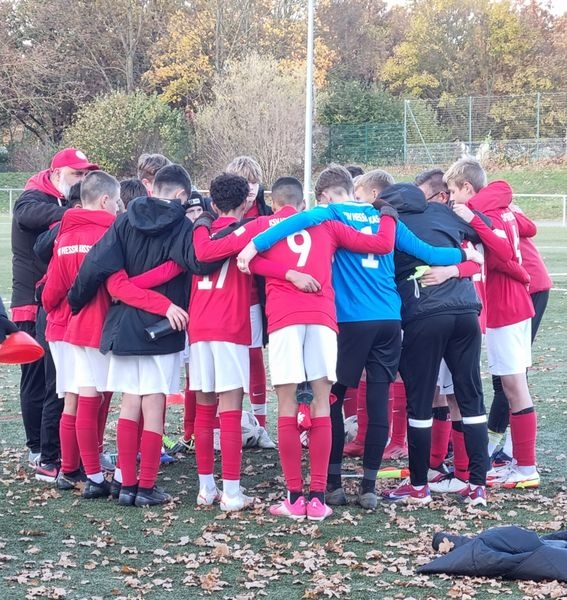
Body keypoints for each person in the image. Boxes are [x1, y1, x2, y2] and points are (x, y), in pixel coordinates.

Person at [237, 167, 482, 510]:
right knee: (378, 398)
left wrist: (253, 246)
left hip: (350, 318)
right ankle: (369, 487)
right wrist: (464, 256)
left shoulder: (330, 215)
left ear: (324, 196)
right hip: (389, 318)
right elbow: (428, 252)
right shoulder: (385, 217)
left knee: (331, 399)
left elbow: (293, 223)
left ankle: (333, 483)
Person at [68, 164, 208, 507]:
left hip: (124, 325)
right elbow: (197, 263)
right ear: (181, 194)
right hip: (162, 327)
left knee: (129, 402)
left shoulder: (124, 221)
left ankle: (126, 484)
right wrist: (165, 302)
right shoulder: (183, 225)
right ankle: (145, 486)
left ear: (152, 189)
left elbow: (101, 272)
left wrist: (76, 300)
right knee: (154, 404)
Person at [373, 183, 489, 507]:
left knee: (420, 401)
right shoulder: (442, 212)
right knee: (471, 397)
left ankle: (419, 486)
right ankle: (478, 485)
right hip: (466, 310)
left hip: (424, 313)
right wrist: (459, 266)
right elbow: (483, 231)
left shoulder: (390, 222)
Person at [445, 157, 539, 489]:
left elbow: (503, 253)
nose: (452, 199)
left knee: (513, 386)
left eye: (453, 192)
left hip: (507, 307)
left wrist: (473, 217)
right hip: (511, 303)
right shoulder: (499, 207)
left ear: (467, 188)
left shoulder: (486, 213)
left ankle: (526, 468)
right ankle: (520, 463)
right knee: (512, 384)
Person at [11, 147, 98, 480]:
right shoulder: (33, 195)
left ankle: (58, 448)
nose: (82, 179)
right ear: (57, 173)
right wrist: (77, 214)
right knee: (37, 378)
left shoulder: (62, 199)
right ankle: (38, 448)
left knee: (57, 381)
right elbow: (27, 214)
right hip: (31, 302)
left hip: (56, 302)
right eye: (77, 174)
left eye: (85, 174)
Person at [42, 171, 120, 496]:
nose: (118, 208)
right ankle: (91, 473)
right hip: (96, 325)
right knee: (90, 397)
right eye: (116, 202)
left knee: (72, 398)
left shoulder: (65, 236)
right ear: (104, 200)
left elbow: (50, 293)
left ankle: (70, 469)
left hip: (65, 326)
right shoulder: (109, 234)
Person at [225, 156, 275, 449]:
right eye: (246, 182)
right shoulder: (220, 213)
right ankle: (217, 426)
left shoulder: (267, 212)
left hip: (257, 297)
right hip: (226, 298)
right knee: (227, 361)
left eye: (255, 181)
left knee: (255, 358)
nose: (252, 187)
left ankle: (261, 425)